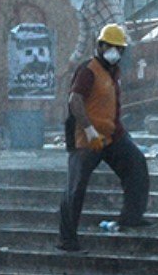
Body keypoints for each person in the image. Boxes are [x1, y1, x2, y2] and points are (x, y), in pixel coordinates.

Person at [57, 23, 150, 251]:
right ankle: (67, 239)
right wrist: (89, 131)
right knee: (75, 188)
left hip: (111, 136)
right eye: (111, 47)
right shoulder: (88, 70)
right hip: (86, 139)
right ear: (100, 46)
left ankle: (131, 217)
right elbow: (75, 101)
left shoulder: (113, 71)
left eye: (119, 49)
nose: (115, 52)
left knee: (136, 165)